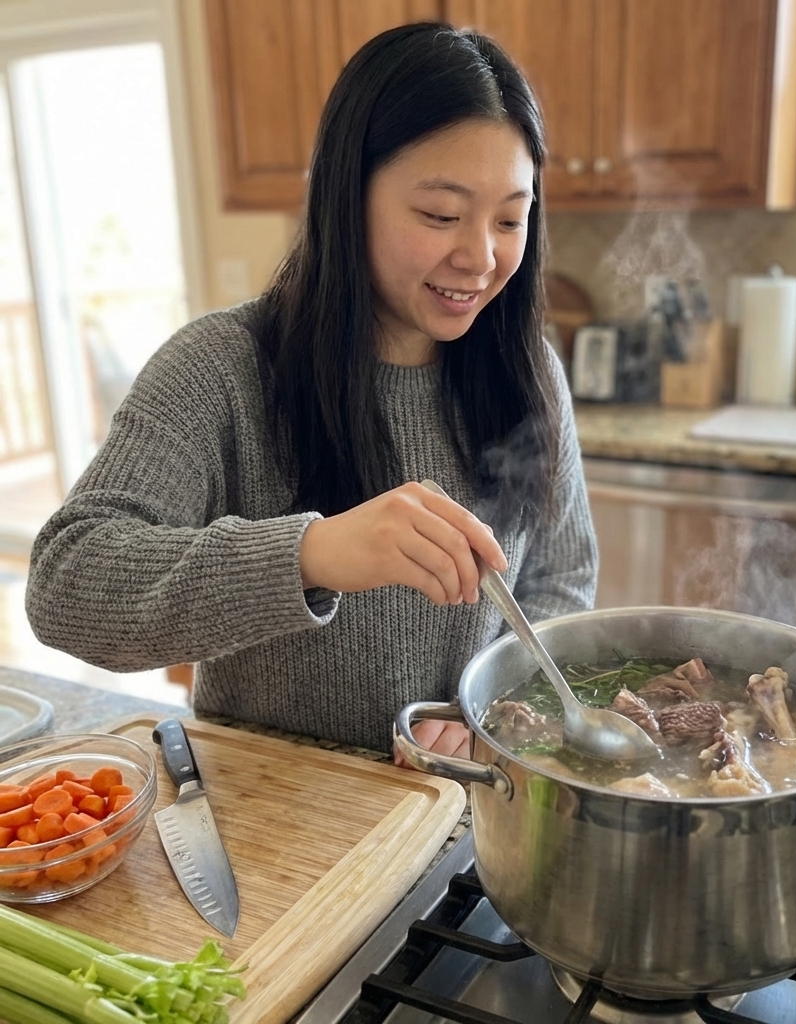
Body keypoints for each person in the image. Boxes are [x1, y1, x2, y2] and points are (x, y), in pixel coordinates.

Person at [25, 22, 598, 761]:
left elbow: (563, 579)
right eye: (441, 215)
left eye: (510, 219)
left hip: (459, 805)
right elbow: (67, 587)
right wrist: (311, 553)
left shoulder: (530, 371)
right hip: (266, 810)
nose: (481, 257)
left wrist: (495, 704)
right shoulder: (221, 368)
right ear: (346, 195)